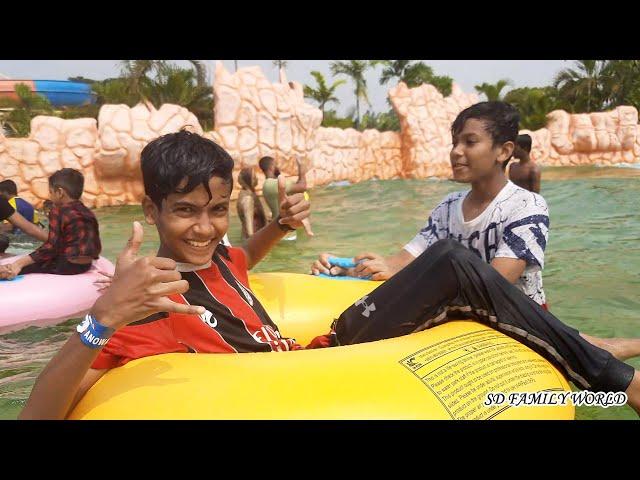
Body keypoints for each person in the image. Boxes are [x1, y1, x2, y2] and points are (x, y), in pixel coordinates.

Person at [19, 129, 640, 420]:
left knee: (462, 281)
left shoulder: (217, 257)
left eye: (213, 210)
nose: (205, 228)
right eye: (184, 213)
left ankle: (597, 372)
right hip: (292, 385)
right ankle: (619, 382)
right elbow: (37, 417)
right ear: (150, 210)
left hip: (320, 348)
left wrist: (278, 228)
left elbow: (242, 261)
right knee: (454, 262)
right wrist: (99, 322)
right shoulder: (146, 303)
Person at [0, 168, 101, 279]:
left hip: (68, 265)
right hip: (86, 265)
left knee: (25, 267)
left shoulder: (58, 211)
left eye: (51, 192)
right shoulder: (87, 211)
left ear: (60, 192)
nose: (50, 196)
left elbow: (51, 247)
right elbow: (94, 244)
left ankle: (6, 272)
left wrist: (19, 263)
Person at [259, 155, 313, 238]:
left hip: (279, 230)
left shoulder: (267, 185)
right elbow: (302, 187)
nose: (278, 167)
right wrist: (301, 168)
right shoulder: (274, 184)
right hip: (285, 233)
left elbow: (297, 189)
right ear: (272, 167)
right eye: (276, 164)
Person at [237, 167, 268, 240]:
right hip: (255, 239)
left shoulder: (250, 193)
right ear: (250, 180)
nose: (257, 179)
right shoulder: (248, 200)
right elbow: (249, 228)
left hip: (257, 236)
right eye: (254, 177)